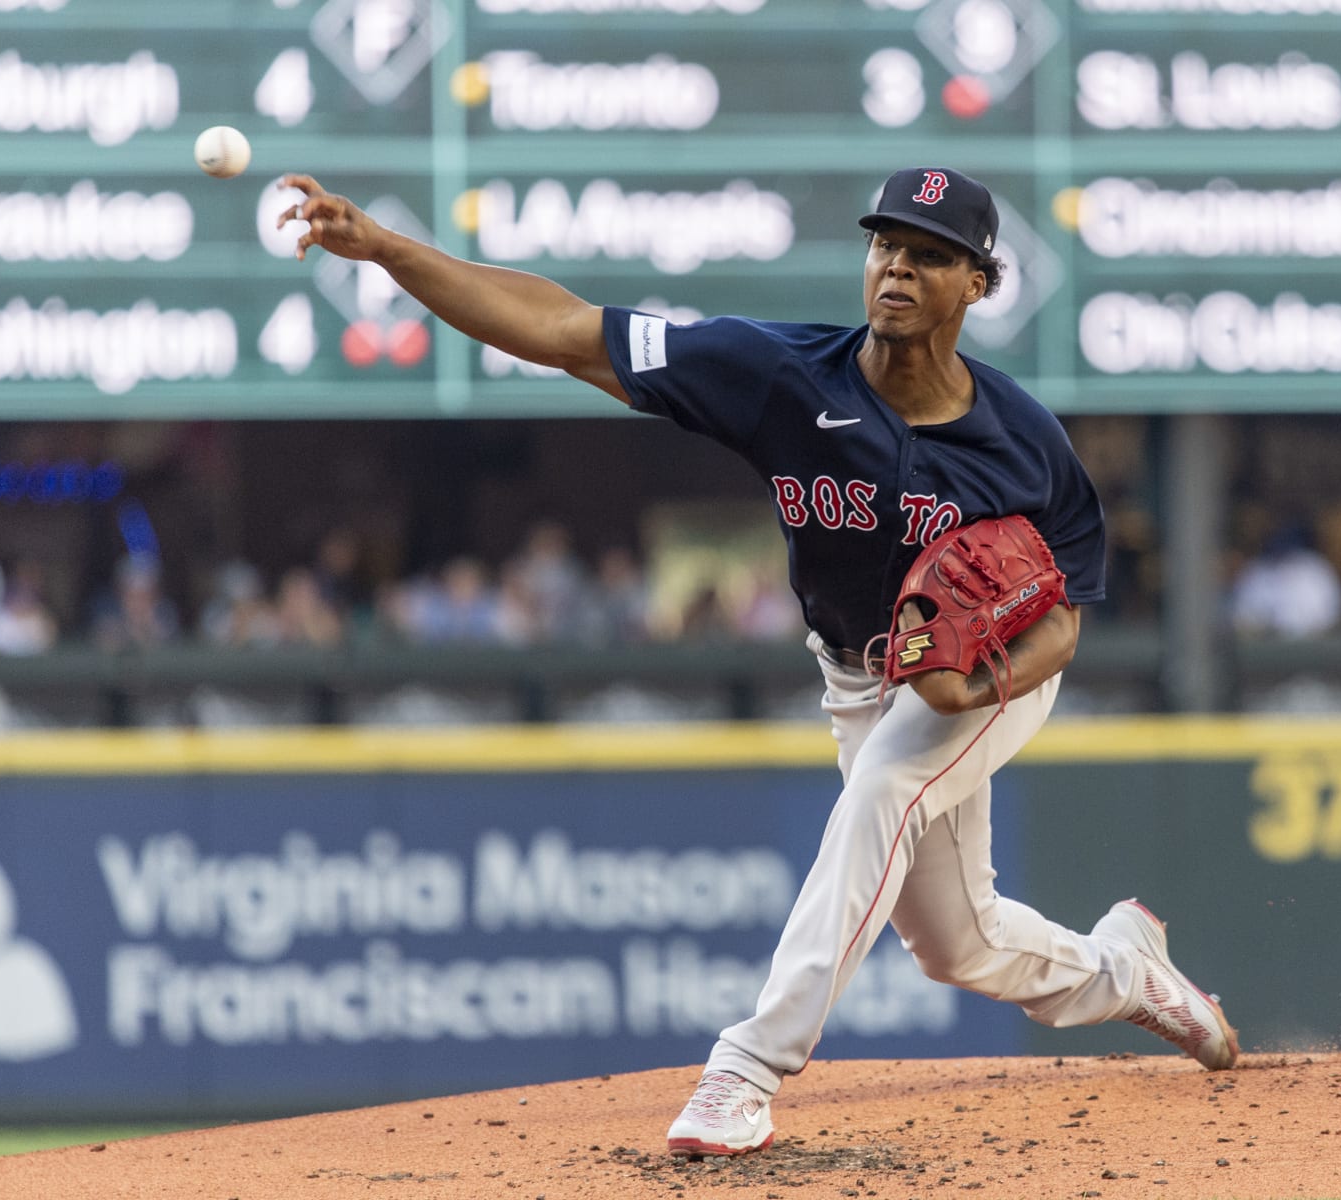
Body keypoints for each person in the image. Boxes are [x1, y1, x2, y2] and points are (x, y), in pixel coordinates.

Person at [277, 166, 1238, 1157]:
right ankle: (1128, 972)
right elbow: (563, 329)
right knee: (958, 943)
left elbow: (1065, 623)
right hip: (861, 674)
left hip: (991, 677)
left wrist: (980, 683)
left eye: (930, 255)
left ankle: (745, 1070)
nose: (898, 268)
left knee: (882, 794)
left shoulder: (1026, 444)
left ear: (978, 284)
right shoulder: (778, 376)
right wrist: (391, 249)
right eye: (886, 246)